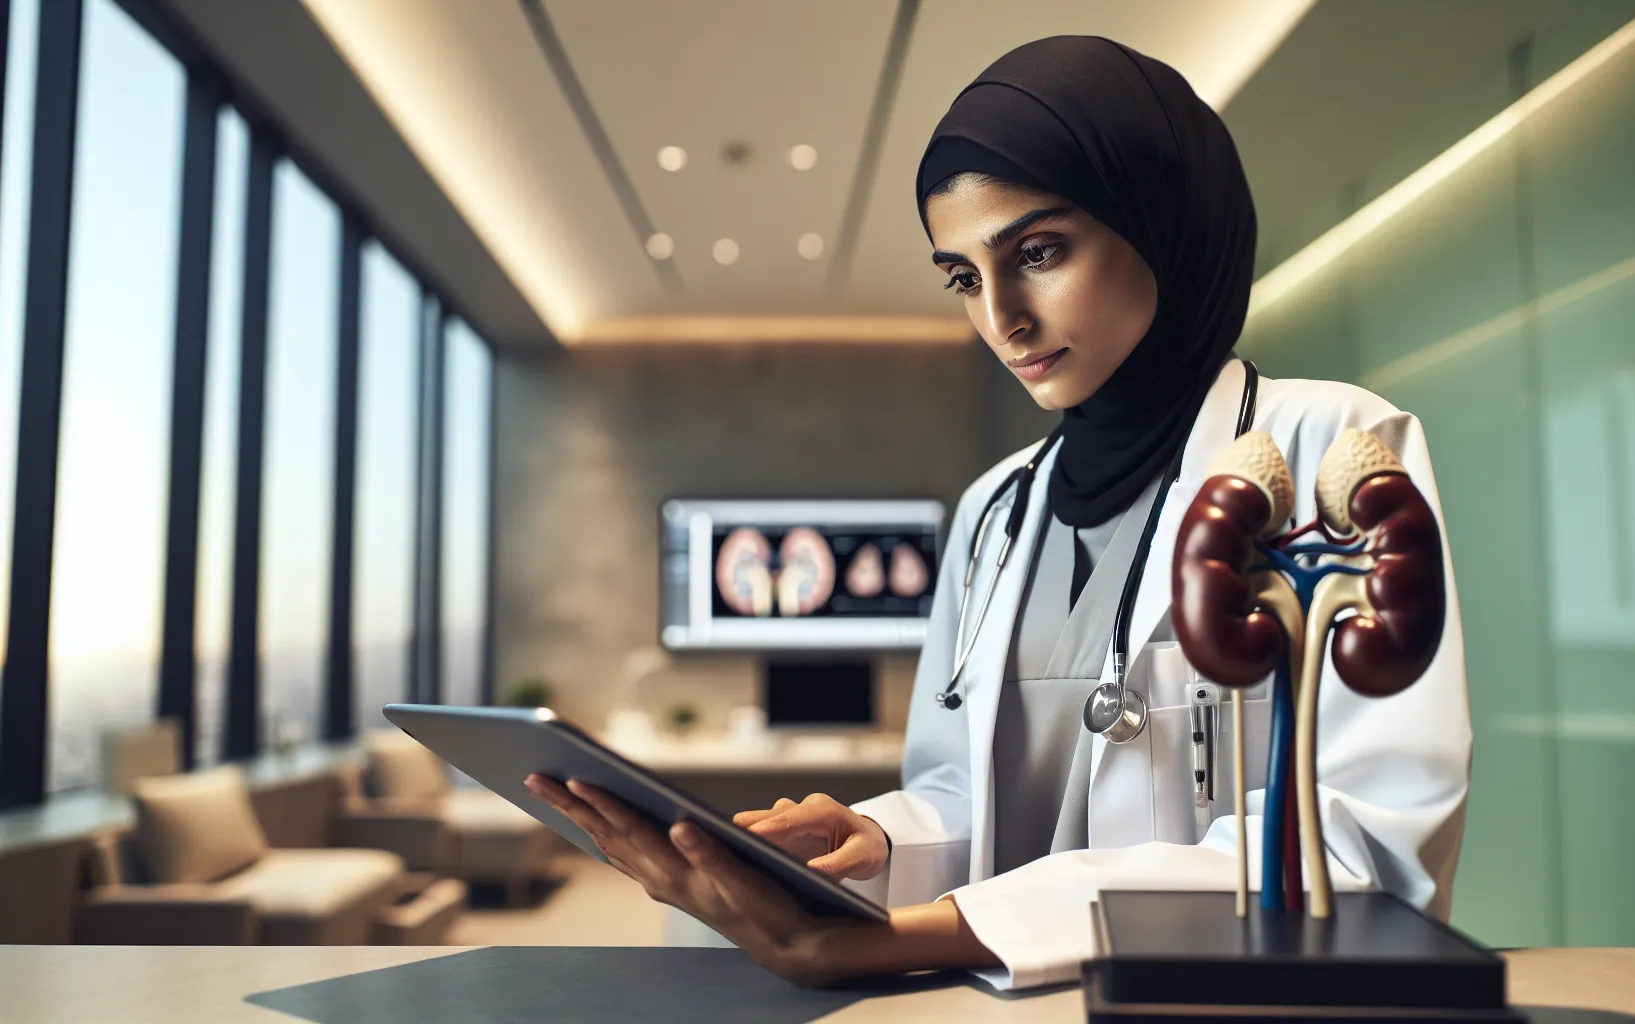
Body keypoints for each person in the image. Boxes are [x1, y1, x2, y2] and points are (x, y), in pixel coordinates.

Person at [525, 35, 1471, 991]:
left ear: (1161, 220)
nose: (1001, 317)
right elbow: (967, 794)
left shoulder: (1329, 452)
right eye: (964, 277)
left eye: (1039, 252)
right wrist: (880, 840)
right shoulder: (994, 509)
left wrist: (901, 943)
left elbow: (1367, 854)